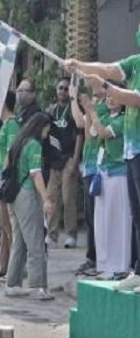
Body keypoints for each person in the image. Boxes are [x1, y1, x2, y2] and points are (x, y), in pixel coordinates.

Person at [66, 44, 140, 279]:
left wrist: (104, 88)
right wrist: (79, 66)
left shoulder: (116, 115)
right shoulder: (135, 63)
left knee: (126, 219)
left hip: (130, 158)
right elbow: (108, 68)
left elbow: (134, 98)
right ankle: (126, 270)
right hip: (127, 154)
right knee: (129, 217)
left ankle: (125, 266)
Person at [3, 111, 55, 301]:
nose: (47, 134)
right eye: (47, 129)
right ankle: (39, 286)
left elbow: (5, 164)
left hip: (13, 196)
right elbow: (36, 174)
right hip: (27, 195)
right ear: (41, 127)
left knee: (20, 242)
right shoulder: (34, 145)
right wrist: (46, 199)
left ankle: (12, 283)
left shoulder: (19, 142)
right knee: (36, 243)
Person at [84, 94, 131, 275]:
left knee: (117, 220)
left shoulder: (123, 120)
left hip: (118, 174)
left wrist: (92, 113)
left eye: (115, 96)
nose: (110, 100)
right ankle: (104, 265)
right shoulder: (103, 117)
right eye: (108, 96)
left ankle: (120, 265)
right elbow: (91, 135)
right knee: (101, 221)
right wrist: (90, 114)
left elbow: (103, 132)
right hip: (102, 174)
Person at [70, 82, 107, 274]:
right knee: (90, 216)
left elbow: (90, 130)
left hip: (99, 169)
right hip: (89, 167)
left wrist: (89, 108)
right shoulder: (94, 106)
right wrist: (72, 98)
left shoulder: (103, 108)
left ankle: (97, 258)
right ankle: (92, 257)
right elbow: (80, 122)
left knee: (96, 217)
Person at [47, 76, 82, 248]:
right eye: (60, 88)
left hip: (68, 158)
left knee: (68, 198)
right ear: (56, 90)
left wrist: (75, 160)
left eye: (66, 88)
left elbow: (79, 135)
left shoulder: (73, 110)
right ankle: (52, 235)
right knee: (52, 199)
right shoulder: (51, 111)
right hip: (54, 161)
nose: (62, 91)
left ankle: (71, 234)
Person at [0, 91, 18, 278]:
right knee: (3, 226)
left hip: (3, 180)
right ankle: (4, 265)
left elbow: (10, 152)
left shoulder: (11, 125)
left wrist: (3, 177)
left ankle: (14, 268)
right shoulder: (3, 126)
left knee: (8, 226)